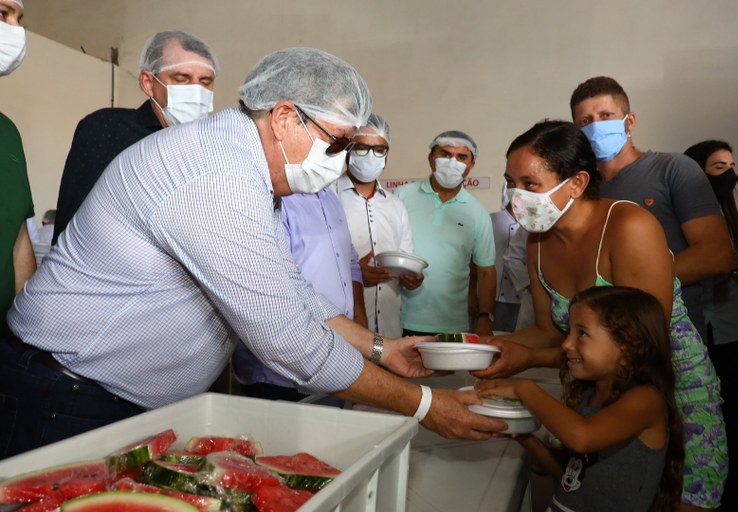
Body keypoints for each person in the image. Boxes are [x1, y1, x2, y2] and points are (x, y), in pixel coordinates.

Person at [1, 47, 506, 458]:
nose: (341, 163)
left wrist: (382, 349)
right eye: (337, 144)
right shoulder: (220, 176)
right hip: (67, 393)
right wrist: (424, 406)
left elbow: (290, 290)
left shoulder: (246, 166)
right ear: (285, 117)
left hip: (109, 396)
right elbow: (286, 339)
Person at [473, 120, 726, 511]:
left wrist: (530, 361)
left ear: (576, 183)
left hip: (667, 389)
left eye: (530, 184)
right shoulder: (538, 241)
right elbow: (546, 330)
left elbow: (638, 344)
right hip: (599, 393)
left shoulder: (629, 226)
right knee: (604, 493)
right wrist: (484, 347)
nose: (516, 197)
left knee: (676, 499)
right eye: (511, 182)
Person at [476, 285, 684, 512]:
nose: (566, 344)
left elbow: (582, 437)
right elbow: (571, 476)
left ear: (630, 345)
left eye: (582, 333)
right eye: (569, 333)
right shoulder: (589, 396)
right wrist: (525, 439)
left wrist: (525, 389)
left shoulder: (646, 400)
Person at [569, 76, 737, 339]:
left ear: (630, 121)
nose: (596, 126)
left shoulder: (673, 169)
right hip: (604, 336)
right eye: (585, 122)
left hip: (672, 334)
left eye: (606, 115)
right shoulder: (582, 188)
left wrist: (626, 282)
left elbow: (717, 255)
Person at [51, 30, 219, 245]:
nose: (196, 91)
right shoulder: (107, 128)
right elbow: (73, 221)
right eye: (181, 79)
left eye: (205, 82)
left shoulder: (212, 145)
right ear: (148, 83)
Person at [684, 139, 738, 511]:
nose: (729, 174)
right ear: (696, 173)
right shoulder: (677, 217)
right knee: (686, 428)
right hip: (686, 336)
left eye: (731, 165)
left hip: (729, 336)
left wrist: (729, 262)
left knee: (728, 427)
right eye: (719, 167)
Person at [232, 184, 368, 402]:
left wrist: (360, 322)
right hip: (281, 378)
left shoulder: (331, 198)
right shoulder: (274, 200)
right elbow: (291, 290)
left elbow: (351, 263)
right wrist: (378, 347)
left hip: (336, 357)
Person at [394, 131, 496, 336]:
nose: (452, 162)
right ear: (431, 158)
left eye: (461, 157)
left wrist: (485, 316)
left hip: (452, 324)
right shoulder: (401, 196)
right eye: (445, 154)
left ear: (471, 165)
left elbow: (486, 271)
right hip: (399, 317)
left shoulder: (477, 212)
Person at [332, 113, 422, 338]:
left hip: (390, 331)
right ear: (348, 149)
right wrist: (354, 274)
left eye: (379, 149)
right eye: (362, 147)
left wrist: (411, 278)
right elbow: (311, 266)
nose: (371, 156)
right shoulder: (327, 197)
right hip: (346, 332)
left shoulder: (395, 206)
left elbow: (405, 259)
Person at [0, 0, 35, 342]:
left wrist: (24, 332)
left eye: (18, 18)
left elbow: (18, 238)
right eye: (2, 13)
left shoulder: (7, 133)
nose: (14, 30)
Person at [490, 182, 525, 332]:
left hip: (523, 298)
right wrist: (473, 295)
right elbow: (475, 261)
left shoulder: (533, 225)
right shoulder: (492, 220)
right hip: (494, 297)